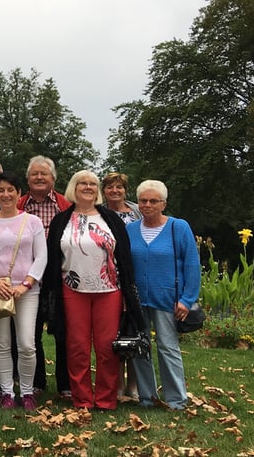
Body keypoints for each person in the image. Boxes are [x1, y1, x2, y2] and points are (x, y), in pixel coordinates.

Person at [43, 170, 145, 411]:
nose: (88, 187)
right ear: (74, 188)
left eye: (92, 183)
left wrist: (128, 294)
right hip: (72, 290)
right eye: (82, 183)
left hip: (109, 290)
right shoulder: (61, 220)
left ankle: (105, 399)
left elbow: (125, 258)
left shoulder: (110, 219)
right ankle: (82, 399)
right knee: (77, 346)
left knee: (107, 346)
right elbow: (53, 258)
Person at [0, 171, 47, 410]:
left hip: (26, 291)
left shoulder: (32, 221)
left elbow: (41, 256)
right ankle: (6, 392)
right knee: (1, 343)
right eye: (1, 190)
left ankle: (26, 392)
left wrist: (26, 284)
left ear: (18, 194)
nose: (5, 195)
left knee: (27, 343)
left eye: (10, 190)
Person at [128, 180, 200, 410]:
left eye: (153, 201)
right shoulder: (131, 229)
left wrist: (187, 299)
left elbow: (191, 265)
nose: (147, 205)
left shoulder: (178, 227)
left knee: (168, 347)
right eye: (143, 201)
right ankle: (147, 398)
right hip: (138, 300)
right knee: (140, 347)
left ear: (164, 203)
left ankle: (176, 400)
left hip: (168, 299)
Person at [18, 155, 71, 396]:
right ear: (27, 179)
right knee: (31, 331)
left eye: (44, 174)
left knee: (63, 331)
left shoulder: (65, 206)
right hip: (27, 278)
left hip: (58, 277)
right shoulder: (18, 206)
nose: (39, 177)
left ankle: (65, 385)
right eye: (34, 174)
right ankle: (36, 382)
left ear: (53, 179)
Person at [102, 171, 142, 401]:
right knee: (113, 333)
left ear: (125, 190)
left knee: (136, 329)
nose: (115, 191)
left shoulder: (137, 210)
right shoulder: (99, 212)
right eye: (110, 187)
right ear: (104, 190)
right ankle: (116, 385)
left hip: (135, 275)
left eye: (119, 187)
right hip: (109, 276)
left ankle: (134, 386)